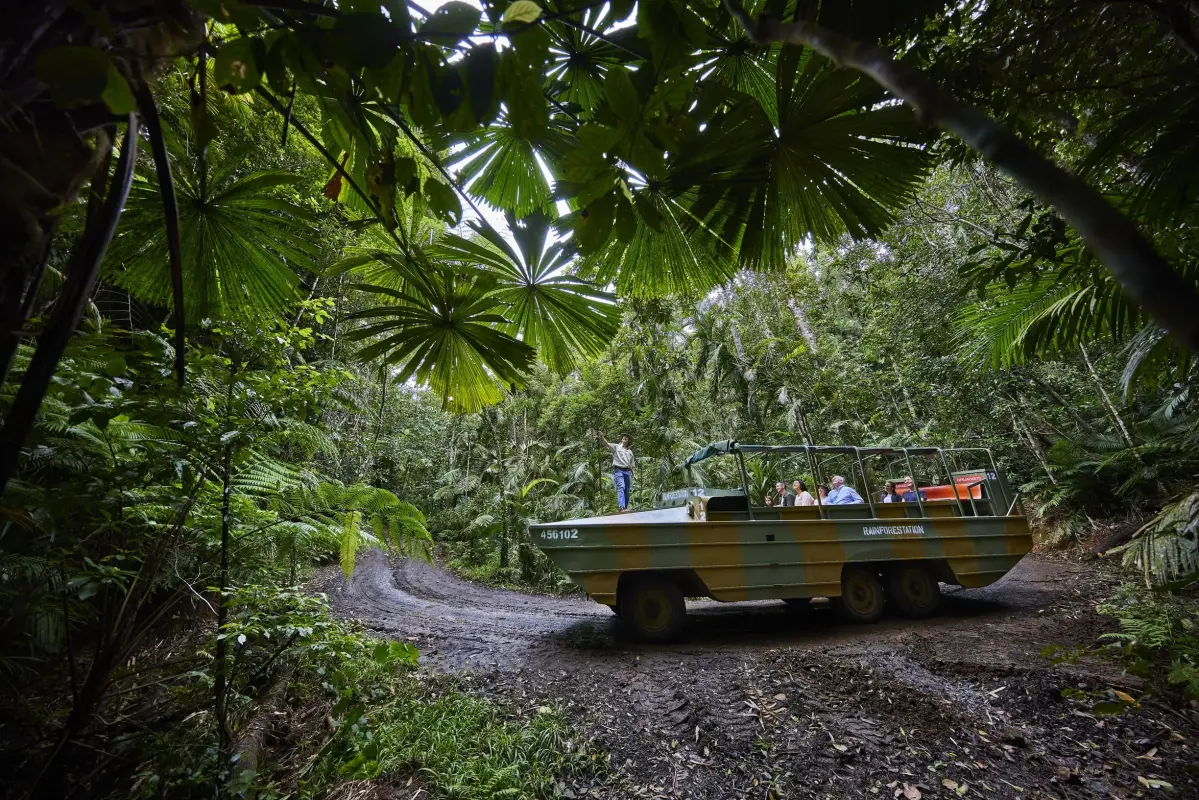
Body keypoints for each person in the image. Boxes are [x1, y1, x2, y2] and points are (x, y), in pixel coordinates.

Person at [598, 431, 635, 511]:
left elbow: (631, 464)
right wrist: (602, 437)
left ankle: (625, 507)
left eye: (626, 438)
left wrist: (633, 474)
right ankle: (621, 507)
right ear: (622, 439)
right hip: (618, 469)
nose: (624, 438)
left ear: (628, 440)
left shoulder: (630, 452)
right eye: (623, 437)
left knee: (627, 489)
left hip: (627, 471)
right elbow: (607, 444)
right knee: (621, 487)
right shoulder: (617, 447)